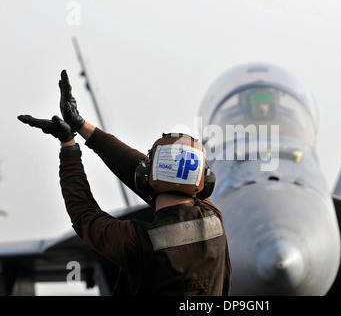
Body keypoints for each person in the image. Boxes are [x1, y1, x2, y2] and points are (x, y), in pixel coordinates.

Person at [18, 70, 232, 296]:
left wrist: (69, 144)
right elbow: (88, 211)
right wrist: (80, 126)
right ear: (204, 183)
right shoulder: (213, 219)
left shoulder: (136, 243)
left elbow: (84, 215)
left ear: (146, 177)